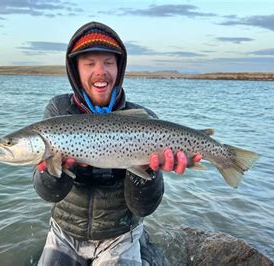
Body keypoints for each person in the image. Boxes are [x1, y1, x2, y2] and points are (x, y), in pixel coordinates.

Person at [33, 21, 196, 265]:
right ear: (75, 70)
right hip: (64, 233)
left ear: (119, 68)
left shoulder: (144, 119)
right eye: (89, 64)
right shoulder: (58, 111)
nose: (100, 72)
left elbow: (143, 209)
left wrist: (147, 172)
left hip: (121, 236)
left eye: (108, 62)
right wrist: (55, 173)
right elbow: (47, 193)